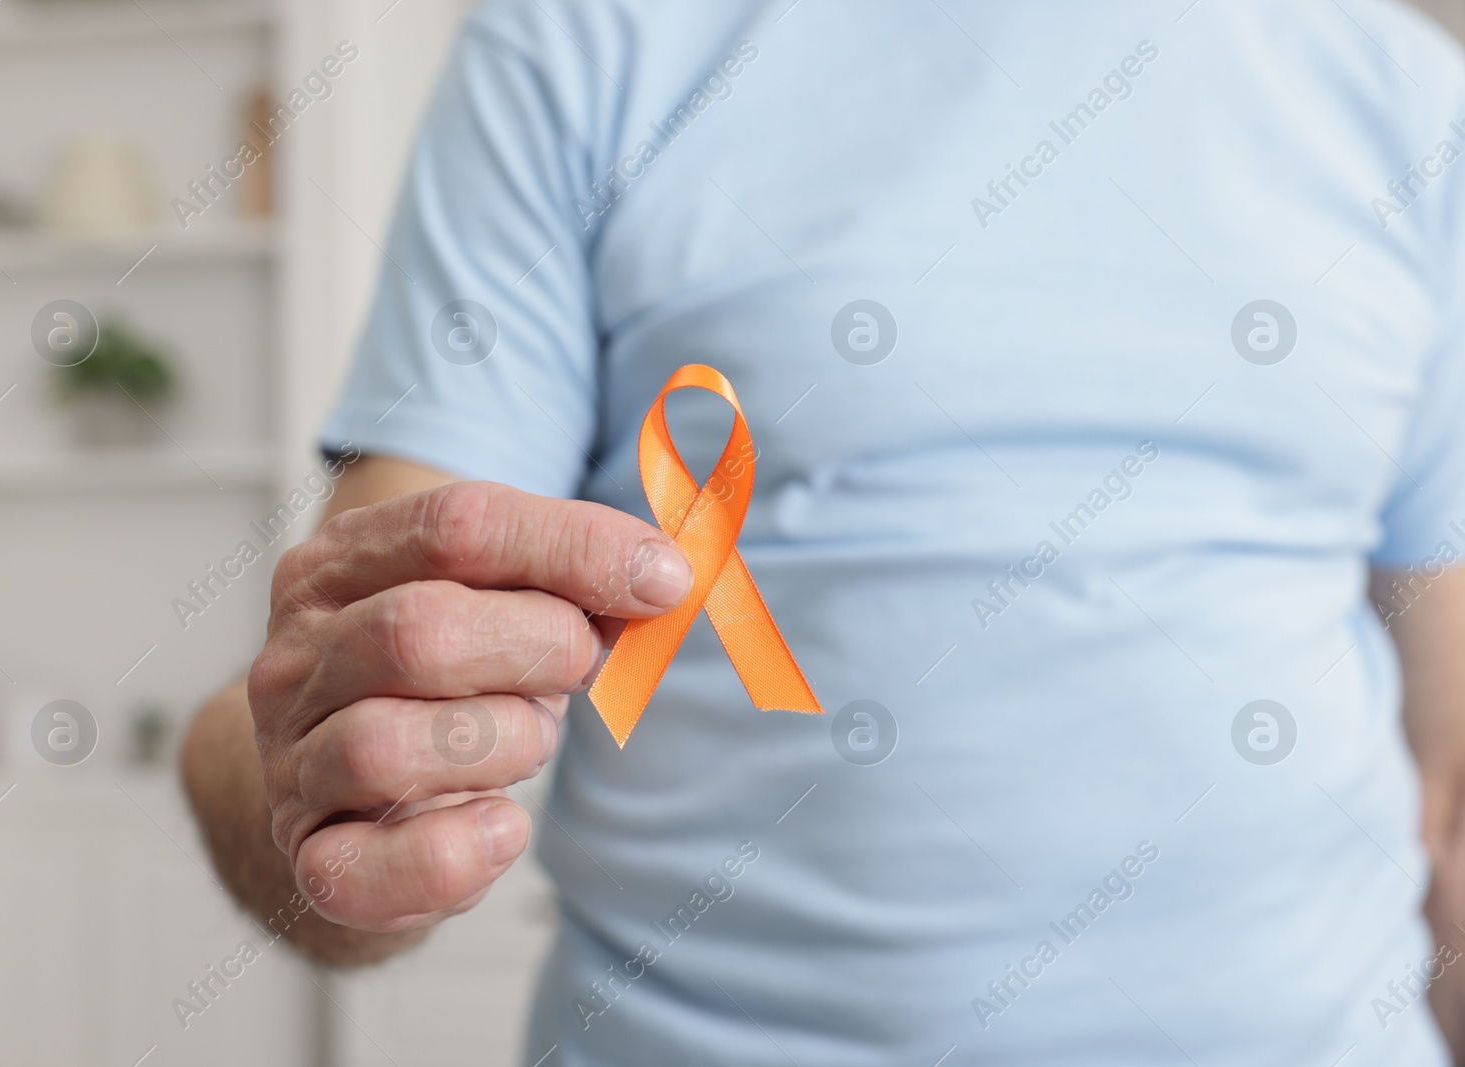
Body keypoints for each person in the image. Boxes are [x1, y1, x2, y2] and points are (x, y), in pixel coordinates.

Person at [182, 1, 1465, 1062]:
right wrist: (323, 809)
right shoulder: (579, 41)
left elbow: (1446, 790)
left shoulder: (1415, 100)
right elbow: (304, 723)